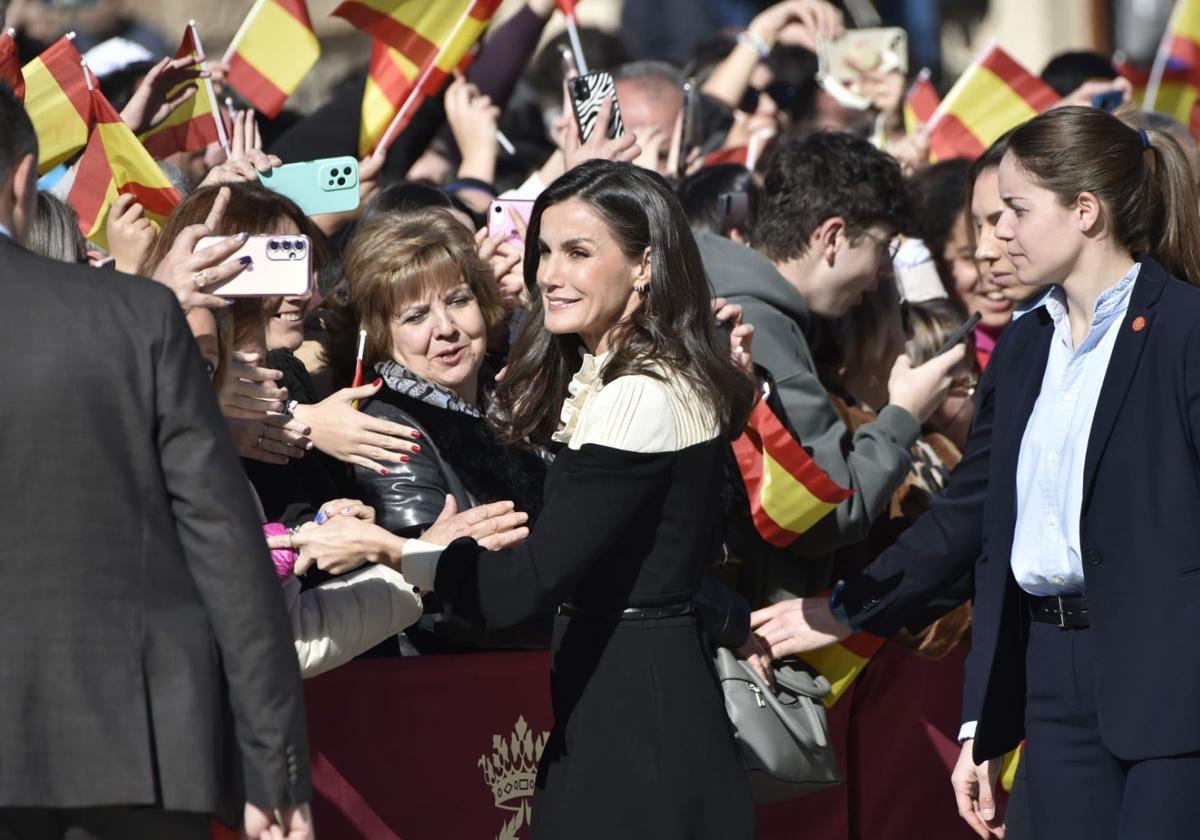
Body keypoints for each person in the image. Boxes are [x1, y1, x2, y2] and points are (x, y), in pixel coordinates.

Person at [757, 106, 1200, 838]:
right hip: (1052, 687)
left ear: (1085, 212)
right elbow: (972, 523)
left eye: (1014, 213)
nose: (994, 240)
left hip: (1173, 684)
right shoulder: (1024, 347)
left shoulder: (1185, 330)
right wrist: (845, 610)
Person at [292, 159, 758, 837]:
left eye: (578, 252)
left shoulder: (636, 391)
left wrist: (391, 549)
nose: (550, 274)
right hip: (615, 695)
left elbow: (528, 584)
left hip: (636, 706)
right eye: (544, 251)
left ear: (644, 265)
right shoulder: (612, 377)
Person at [0, 83, 312, 839]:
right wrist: (271, 766)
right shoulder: (134, 318)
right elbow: (220, 540)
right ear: (21, 181)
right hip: (118, 744)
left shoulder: (138, 316)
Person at [698, 130, 967, 602]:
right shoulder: (759, 327)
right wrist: (904, 413)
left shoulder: (711, 290)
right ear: (833, 236)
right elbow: (828, 512)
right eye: (884, 247)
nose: (885, 271)